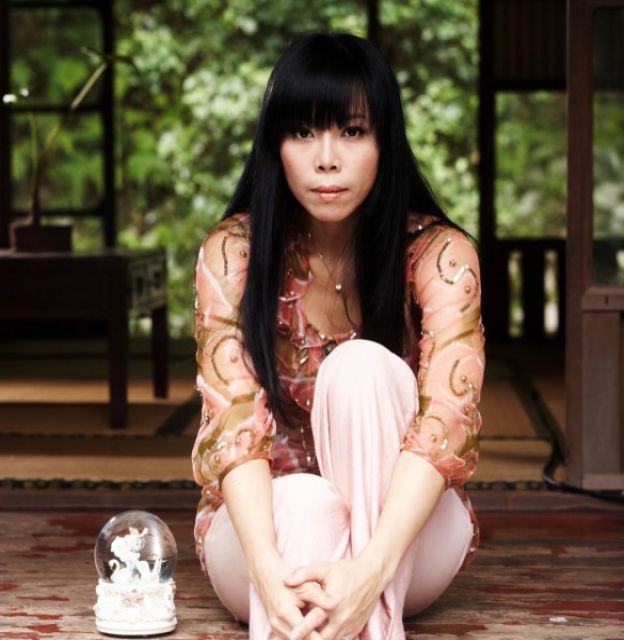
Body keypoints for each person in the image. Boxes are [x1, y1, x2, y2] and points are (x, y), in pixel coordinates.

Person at [191, 32, 485, 640]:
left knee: (361, 368)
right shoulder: (233, 254)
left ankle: (361, 608)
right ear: (275, 146)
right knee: (306, 503)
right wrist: (268, 573)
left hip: (403, 542)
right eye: (303, 132)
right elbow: (232, 429)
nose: (327, 159)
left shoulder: (441, 256)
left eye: (352, 131)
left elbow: (446, 423)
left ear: (385, 141)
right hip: (264, 540)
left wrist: (367, 574)